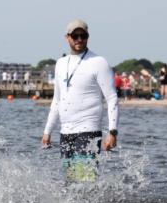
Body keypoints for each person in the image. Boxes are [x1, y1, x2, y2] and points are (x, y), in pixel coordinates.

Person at [42, 20, 119, 181]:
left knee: (85, 181)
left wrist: (112, 132)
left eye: (83, 36)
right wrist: (47, 131)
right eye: (75, 36)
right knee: (71, 183)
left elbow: (111, 98)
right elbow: (57, 100)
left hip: (88, 130)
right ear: (67, 37)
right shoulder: (60, 63)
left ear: (87, 37)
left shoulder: (98, 62)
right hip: (66, 132)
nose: (79, 39)